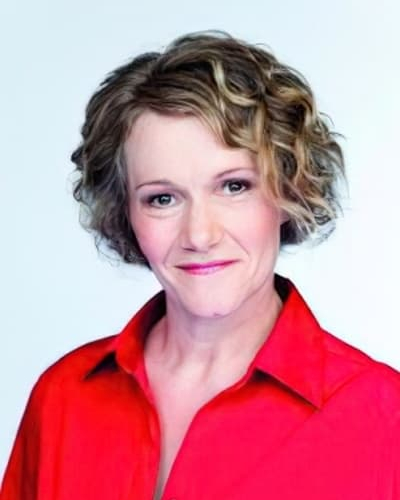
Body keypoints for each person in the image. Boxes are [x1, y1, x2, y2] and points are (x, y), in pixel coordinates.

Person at [1, 30, 399, 500]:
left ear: (288, 191)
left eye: (234, 187)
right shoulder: (64, 396)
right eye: (162, 198)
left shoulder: (380, 414)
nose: (200, 235)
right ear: (125, 213)